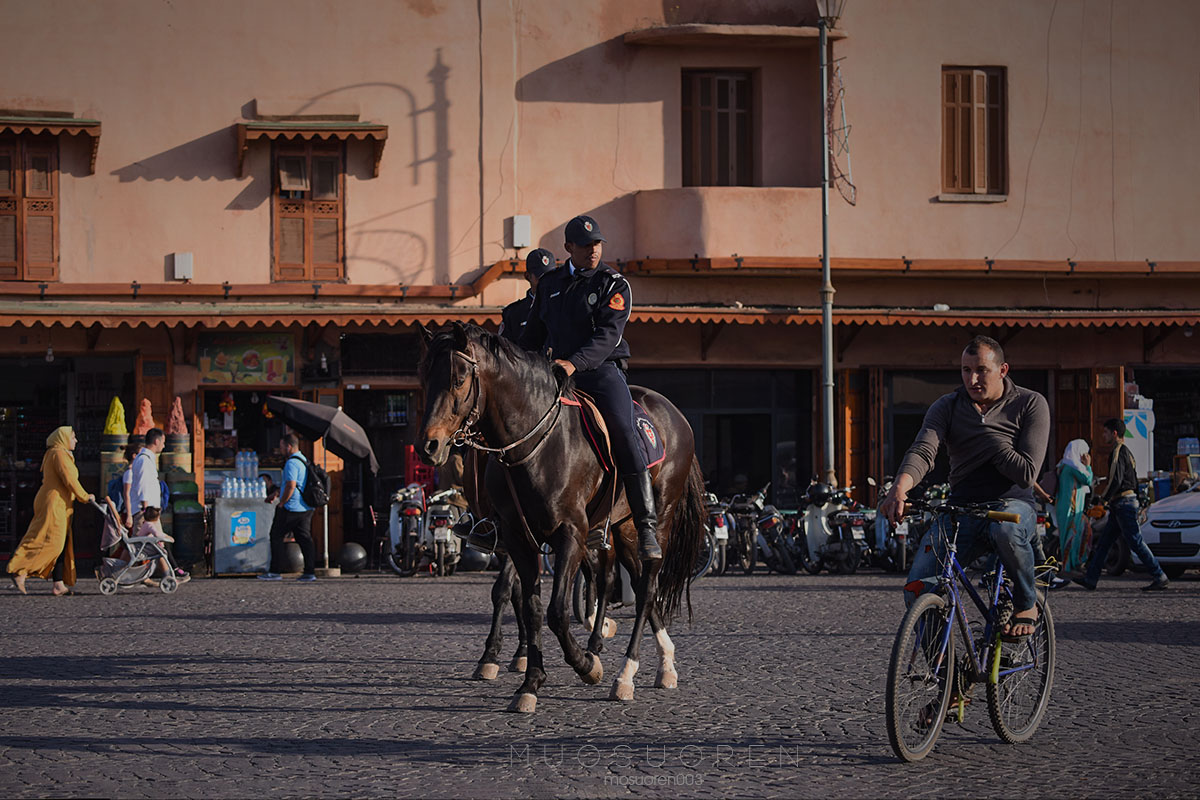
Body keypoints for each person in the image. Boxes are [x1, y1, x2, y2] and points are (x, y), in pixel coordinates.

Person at [881, 336, 1049, 640]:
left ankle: (1027, 602)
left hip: (1011, 507)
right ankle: (947, 677)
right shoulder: (947, 406)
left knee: (1005, 531)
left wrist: (988, 437)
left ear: (1003, 370)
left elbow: (1026, 473)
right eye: (965, 370)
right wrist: (899, 488)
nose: (972, 379)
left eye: (982, 370)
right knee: (917, 588)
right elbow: (922, 451)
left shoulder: (1030, 403)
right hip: (962, 509)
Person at [520, 215, 661, 560]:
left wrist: (574, 363)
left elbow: (607, 336)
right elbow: (531, 338)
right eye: (585, 245)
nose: (593, 250)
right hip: (554, 372)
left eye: (597, 244)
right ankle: (499, 520)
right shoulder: (550, 284)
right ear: (568, 248)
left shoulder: (614, 284)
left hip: (600, 371)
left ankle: (645, 525)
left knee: (624, 431)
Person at [1073, 419, 1170, 592]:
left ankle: (1159, 575)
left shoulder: (1117, 452)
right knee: (1104, 542)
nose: (1103, 436)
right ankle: (1090, 578)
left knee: (1135, 541)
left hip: (1123, 503)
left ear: (1114, 433)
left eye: (1105, 432)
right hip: (1122, 503)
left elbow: (1115, 480)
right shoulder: (1127, 452)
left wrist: (1103, 499)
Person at [7, 426, 94, 595]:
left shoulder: (57, 453)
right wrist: (85, 496)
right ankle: (20, 570)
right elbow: (69, 478)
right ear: (63, 439)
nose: (75, 440)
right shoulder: (59, 454)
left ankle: (58, 584)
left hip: (59, 503)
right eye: (73, 437)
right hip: (54, 503)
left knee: (60, 542)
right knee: (51, 541)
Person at [259, 433, 317, 581]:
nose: (280, 449)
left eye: (282, 446)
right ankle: (310, 572)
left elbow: (291, 485)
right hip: (305, 507)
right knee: (305, 539)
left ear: (289, 446)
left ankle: (275, 571)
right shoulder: (303, 459)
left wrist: (282, 502)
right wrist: (277, 493)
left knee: (276, 536)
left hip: (291, 507)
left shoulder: (291, 463)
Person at [1034, 439, 1093, 574]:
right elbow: (1087, 480)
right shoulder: (1072, 467)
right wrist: (1088, 466)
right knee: (1070, 536)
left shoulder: (1064, 465)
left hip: (1069, 507)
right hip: (1069, 508)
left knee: (1077, 534)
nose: (1085, 456)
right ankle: (1068, 567)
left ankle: (1074, 564)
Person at [498, 248, 557, 344]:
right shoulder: (513, 314)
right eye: (541, 278)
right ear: (527, 276)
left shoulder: (563, 304)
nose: (546, 282)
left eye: (550, 276)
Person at [134, 507, 189, 586]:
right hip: (145, 548)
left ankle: (170, 573)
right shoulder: (149, 525)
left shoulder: (146, 523)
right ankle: (171, 573)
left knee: (162, 551)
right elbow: (158, 534)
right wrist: (168, 537)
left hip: (145, 546)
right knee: (162, 552)